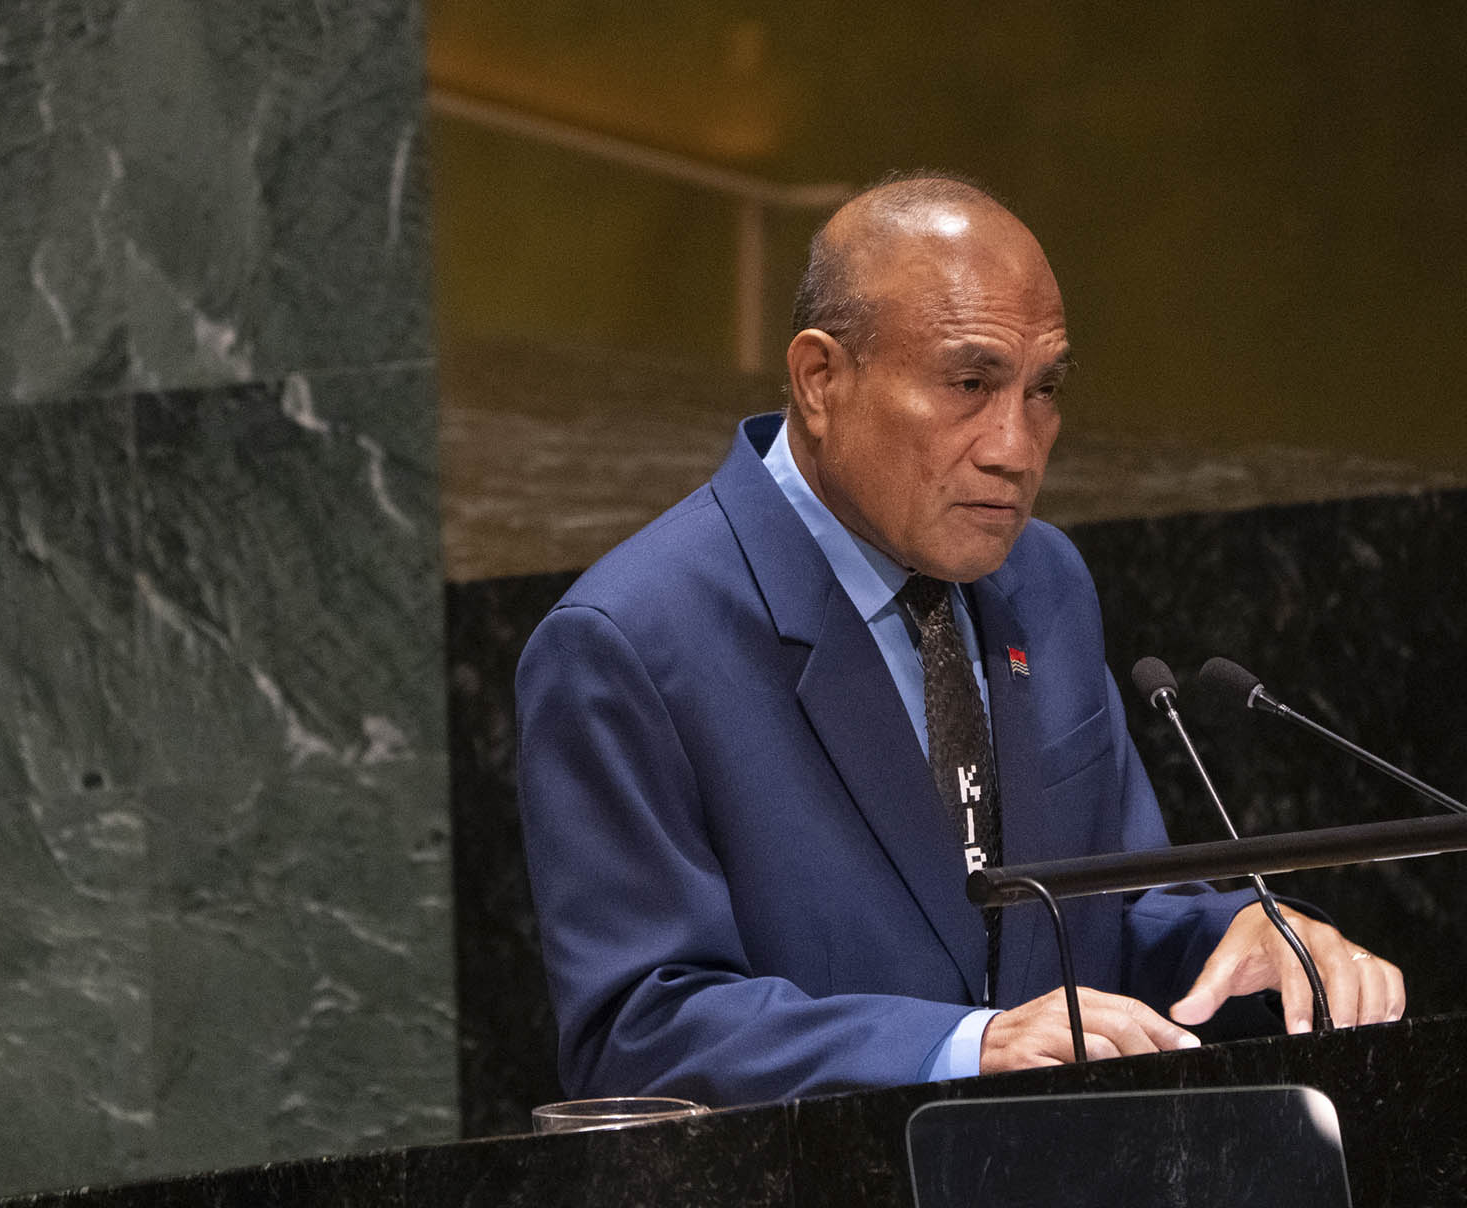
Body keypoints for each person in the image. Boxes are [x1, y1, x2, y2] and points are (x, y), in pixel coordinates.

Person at [514, 172, 1405, 1105]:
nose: (1015, 448)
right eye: (970, 383)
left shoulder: (1043, 580)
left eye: (1044, 389)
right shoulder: (628, 641)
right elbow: (639, 1030)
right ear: (821, 380)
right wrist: (959, 1047)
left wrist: (1248, 942)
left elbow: (1112, 912)